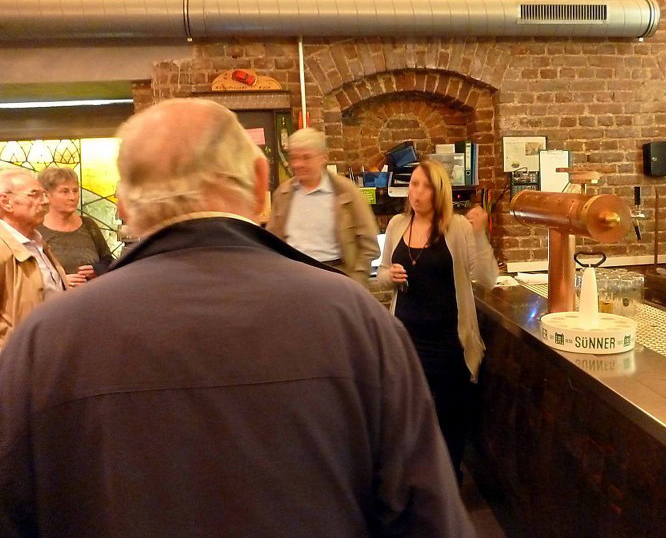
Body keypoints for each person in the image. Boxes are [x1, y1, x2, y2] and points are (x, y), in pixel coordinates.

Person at [0, 99, 474, 538]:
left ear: (122, 202)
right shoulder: (360, 324)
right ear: (260, 179)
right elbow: (429, 520)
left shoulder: (45, 341)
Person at [377, 158, 498, 484]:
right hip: (405, 340)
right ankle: (414, 485)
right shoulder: (397, 225)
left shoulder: (457, 228)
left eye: (426, 186)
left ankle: (448, 485)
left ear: (439, 191)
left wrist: (480, 234)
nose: (417, 192)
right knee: (407, 420)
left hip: (448, 343)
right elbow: (382, 274)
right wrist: (389, 275)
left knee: (449, 421)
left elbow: (487, 278)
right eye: (413, 184)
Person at [268, 127, 380, 286]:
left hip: (336, 279)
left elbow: (369, 244)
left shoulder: (347, 192)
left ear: (323, 158)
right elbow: (271, 243)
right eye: (294, 157)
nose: (298, 164)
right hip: (294, 280)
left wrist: (355, 281)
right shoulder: (282, 194)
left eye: (306, 157)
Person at [0, 168, 67, 349]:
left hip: (48, 351)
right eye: (35, 195)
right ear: (6, 202)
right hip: (17, 357)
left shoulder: (37, 243)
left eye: (44, 194)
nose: (45, 201)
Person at [37, 167, 115, 289]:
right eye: (65, 191)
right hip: (55, 299)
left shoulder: (88, 225)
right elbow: (27, 275)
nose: (72, 197)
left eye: (75, 191)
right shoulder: (36, 229)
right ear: (47, 195)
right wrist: (59, 282)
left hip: (92, 296)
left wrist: (96, 270)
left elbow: (108, 261)